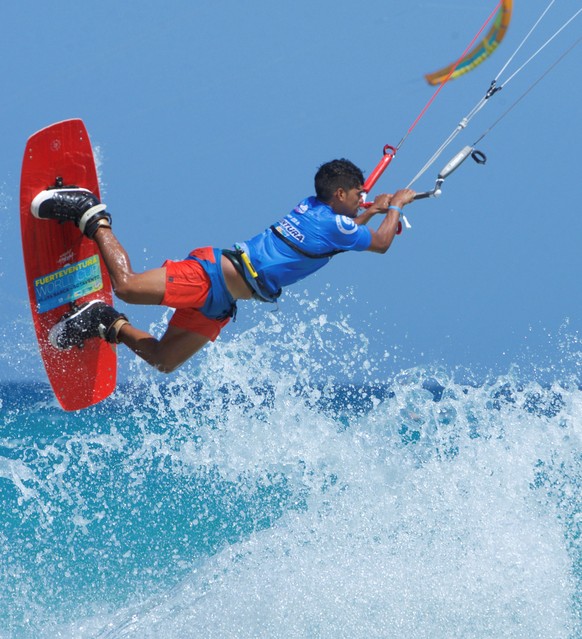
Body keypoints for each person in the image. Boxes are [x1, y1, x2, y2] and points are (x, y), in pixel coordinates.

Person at [31, 159, 415, 372]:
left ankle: (104, 321)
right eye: (359, 195)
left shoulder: (313, 208)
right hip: (212, 275)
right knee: (128, 286)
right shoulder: (332, 223)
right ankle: (91, 214)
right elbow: (379, 243)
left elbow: (341, 233)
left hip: (221, 303)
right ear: (341, 194)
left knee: (164, 361)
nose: (362, 201)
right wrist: (396, 204)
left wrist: (372, 210)